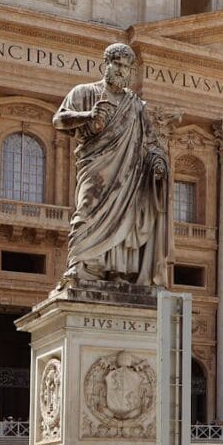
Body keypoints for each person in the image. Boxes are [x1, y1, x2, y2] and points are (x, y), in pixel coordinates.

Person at [53, 43, 170, 288]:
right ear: (105, 64)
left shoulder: (136, 106)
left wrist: (158, 163)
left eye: (127, 67)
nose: (122, 71)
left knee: (125, 216)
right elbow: (59, 120)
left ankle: (118, 270)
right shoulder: (84, 92)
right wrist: (88, 116)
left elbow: (151, 142)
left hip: (128, 174)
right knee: (87, 209)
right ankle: (80, 264)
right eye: (117, 64)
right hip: (96, 167)